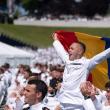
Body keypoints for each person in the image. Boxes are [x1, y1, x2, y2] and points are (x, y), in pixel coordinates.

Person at [52, 33, 110, 110]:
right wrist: (56, 40)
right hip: (63, 102)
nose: (69, 50)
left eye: (72, 48)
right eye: (69, 48)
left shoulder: (86, 63)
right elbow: (60, 51)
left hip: (77, 104)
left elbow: (102, 55)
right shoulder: (67, 61)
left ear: (79, 52)